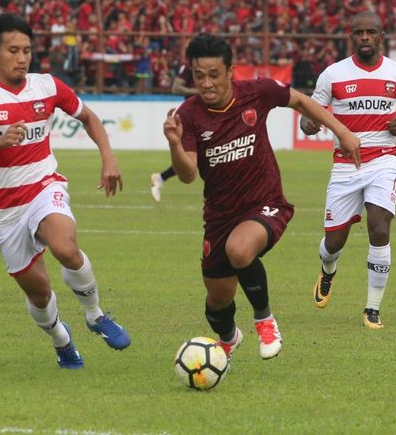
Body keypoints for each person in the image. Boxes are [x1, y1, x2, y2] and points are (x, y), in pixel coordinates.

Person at [163, 33, 360, 361]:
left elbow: (299, 100)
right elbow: (187, 175)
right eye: (199, 76)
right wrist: (173, 142)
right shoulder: (190, 115)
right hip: (219, 216)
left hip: (265, 203)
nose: (207, 84)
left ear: (230, 71)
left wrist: (341, 131)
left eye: (214, 75)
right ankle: (229, 338)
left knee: (239, 251)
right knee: (217, 302)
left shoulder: (257, 92)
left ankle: (264, 320)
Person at [0, 13, 130, 369]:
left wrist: (108, 158)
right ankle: (61, 340)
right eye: (13, 51)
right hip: (4, 210)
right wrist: (1, 140)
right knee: (39, 294)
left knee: (66, 247)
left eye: (27, 51)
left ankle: (96, 315)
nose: (22, 58)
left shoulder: (47, 85)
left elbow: (90, 118)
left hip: (43, 186)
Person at [300, 11, 396, 330]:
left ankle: (372, 309)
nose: (365, 37)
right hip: (345, 166)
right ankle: (328, 271)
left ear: (381, 36)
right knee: (333, 243)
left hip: (383, 160)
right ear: (351, 37)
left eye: (371, 32)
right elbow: (309, 114)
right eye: (359, 32)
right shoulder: (333, 75)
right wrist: (309, 124)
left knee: (379, 227)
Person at [150, 62, 197, 202]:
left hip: (206, 117)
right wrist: (197, 91)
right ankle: (160, 177)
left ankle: (160, 177)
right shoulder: (189, 66)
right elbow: (176, 87)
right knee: (193, 159)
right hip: (191, 118)